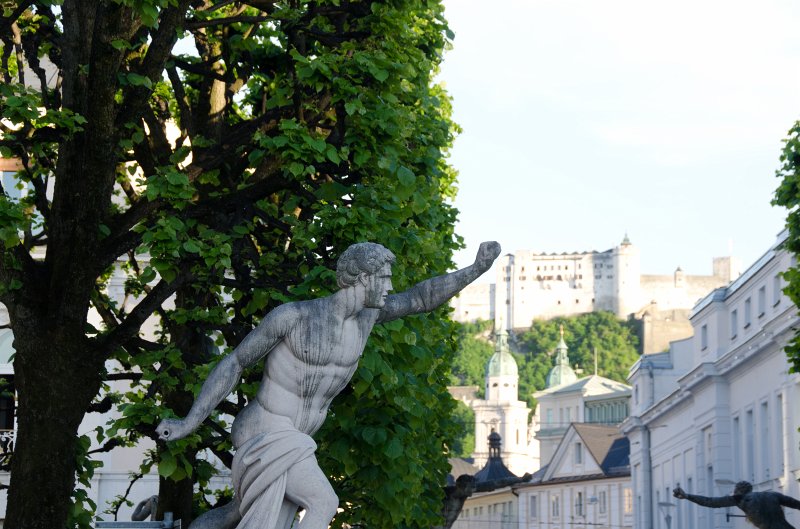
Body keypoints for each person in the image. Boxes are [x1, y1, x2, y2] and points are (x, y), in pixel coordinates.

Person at [157, 241, 502, 529]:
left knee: (236, 513)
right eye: (383, 278)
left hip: (298, 437)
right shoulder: (294, 317)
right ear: (362, 278)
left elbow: (421, 298)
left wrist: (476, 269)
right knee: (323, 502)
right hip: (265, 429)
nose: (389, 287)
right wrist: (189, 422)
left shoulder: (368, 318)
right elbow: (235, 362)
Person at [673, 481, 800, 529]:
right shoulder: (773, 495)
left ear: (738, 491)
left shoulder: (740, 498)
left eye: (734, 490)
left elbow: (710, 502)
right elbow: (796, 504)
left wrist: (687, 496)